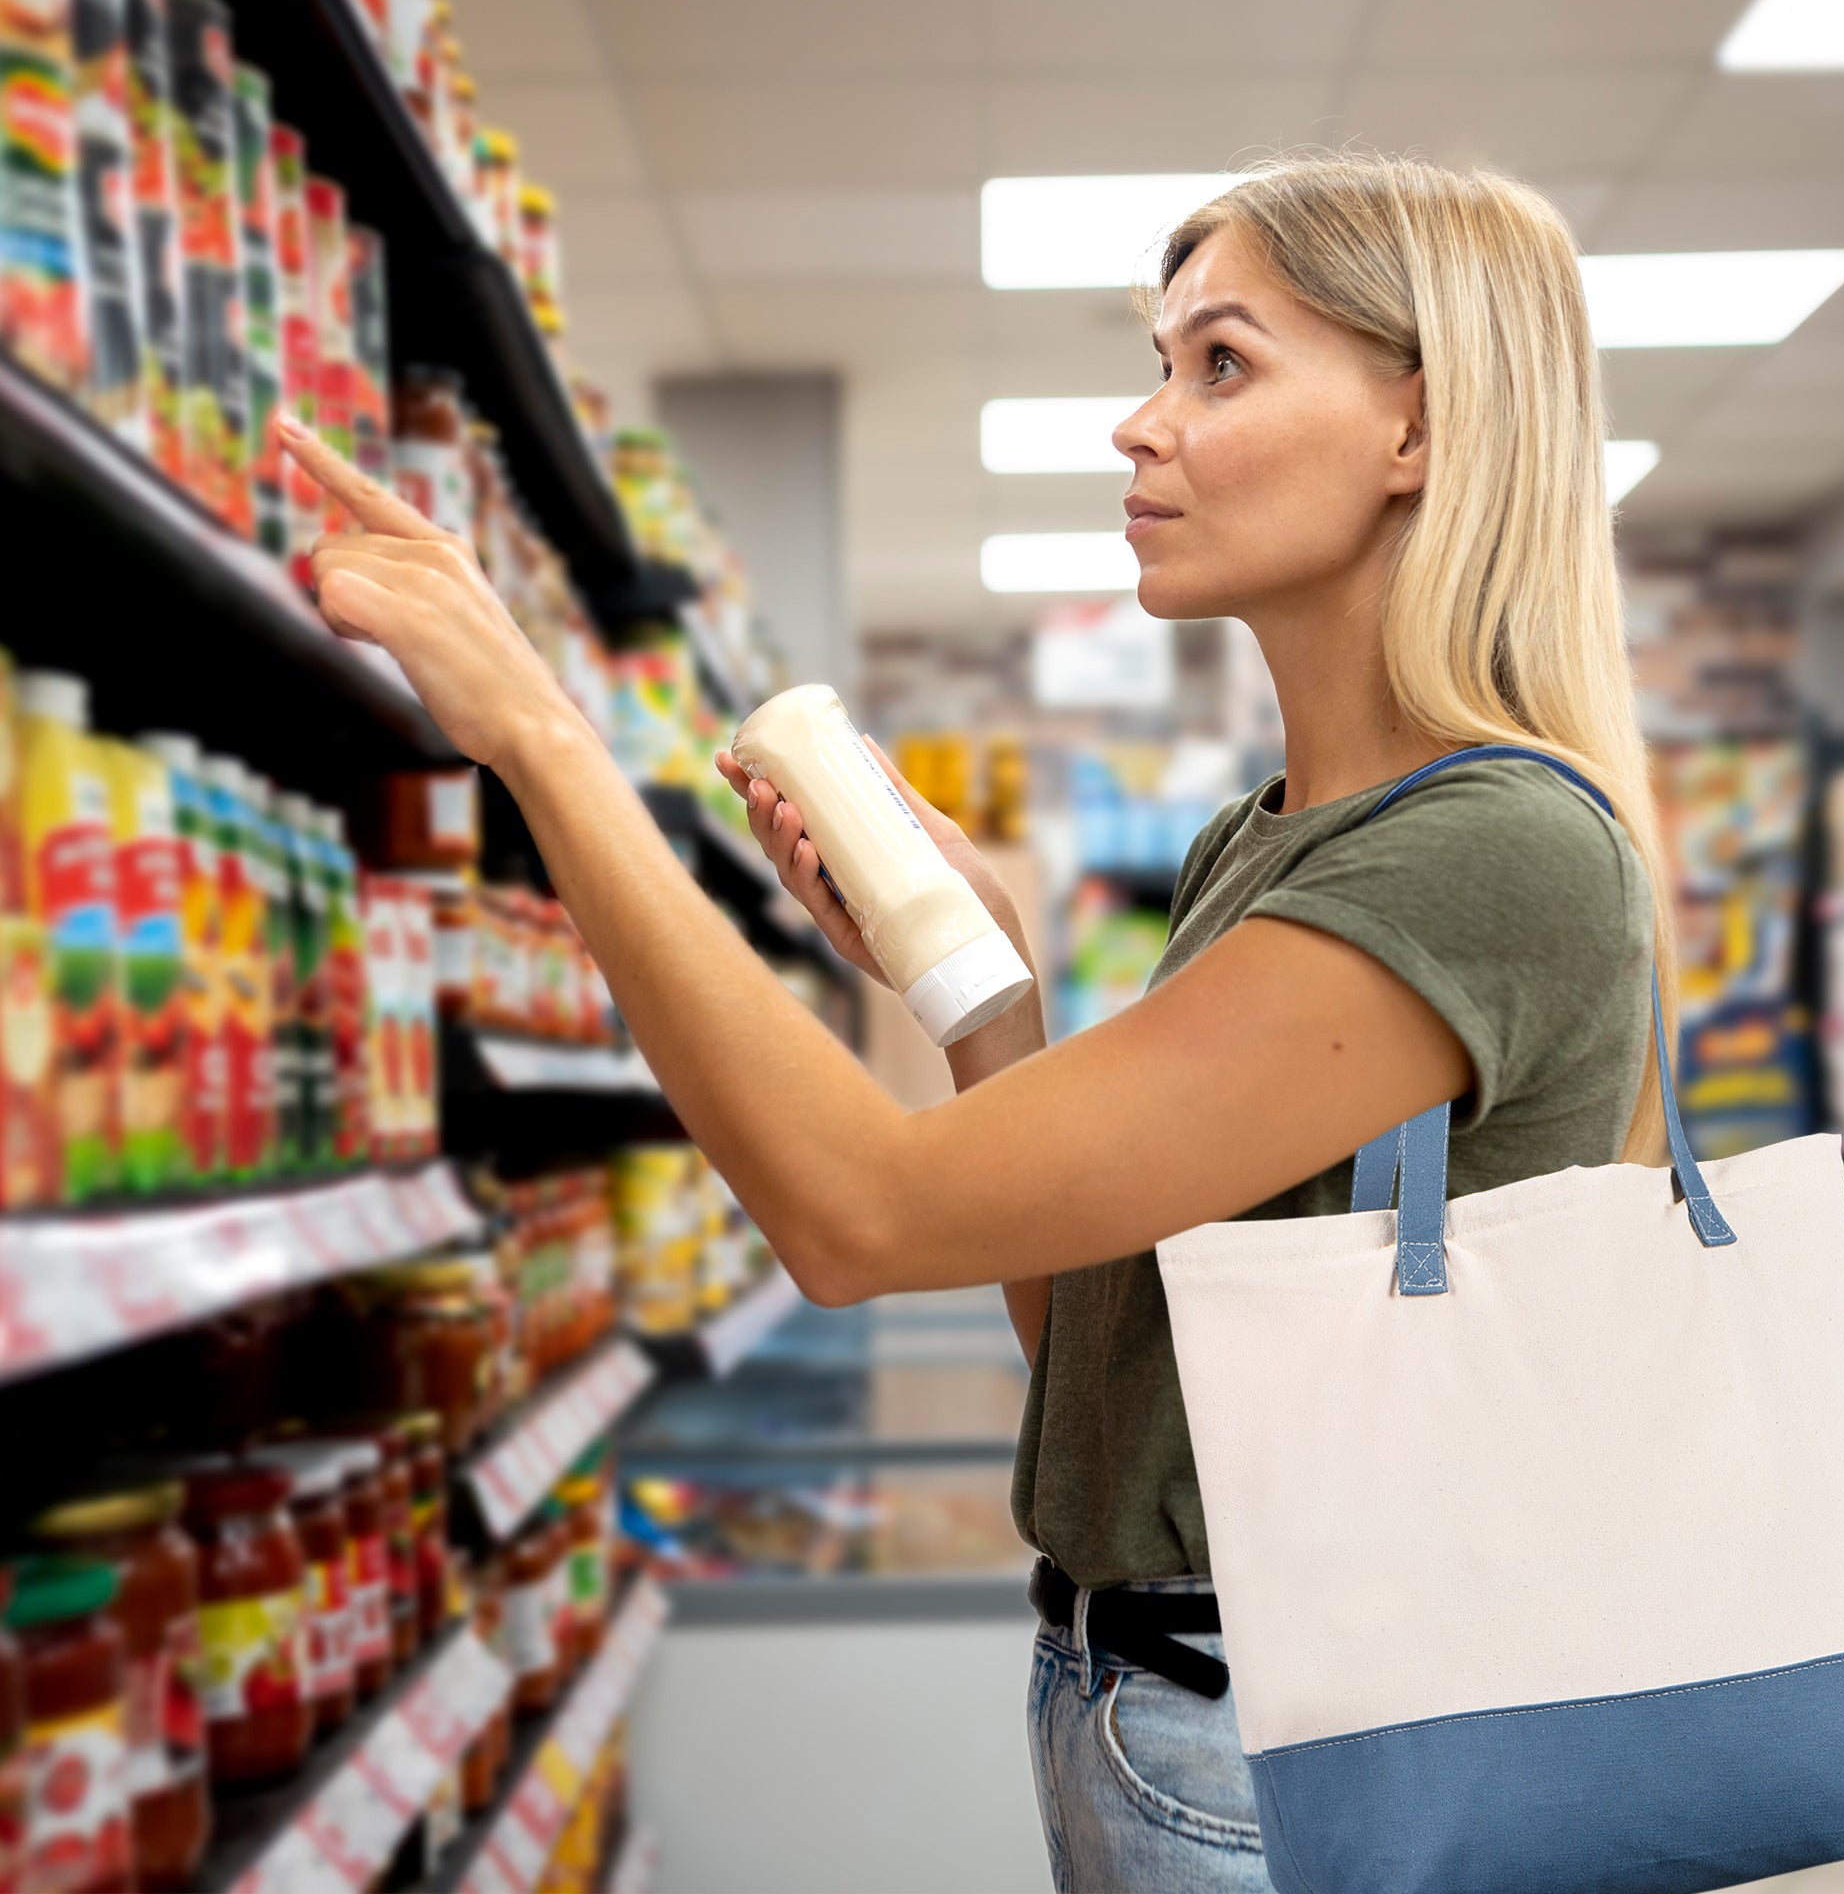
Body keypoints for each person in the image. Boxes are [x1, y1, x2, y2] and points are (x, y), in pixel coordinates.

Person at [282, 152, 1669, 1894]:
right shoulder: (1261, 843)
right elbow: (1098, 1374)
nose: (1139, 426)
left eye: (1219, 365)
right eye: (1161, 362)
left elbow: (857, 1217)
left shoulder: (1497, 850)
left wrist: (546, 748)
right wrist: (980, 995)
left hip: (1296, 1752)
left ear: (1420, 424)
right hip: (1155, 1694)